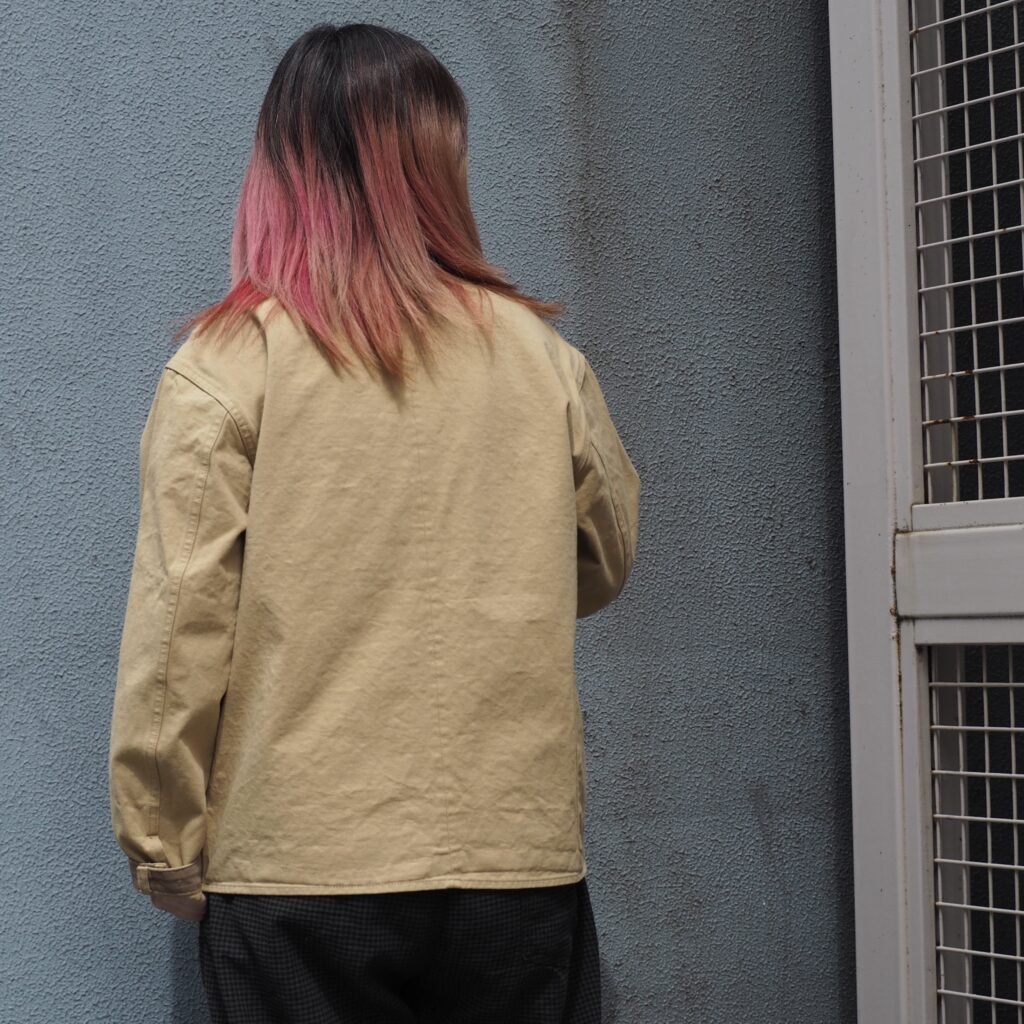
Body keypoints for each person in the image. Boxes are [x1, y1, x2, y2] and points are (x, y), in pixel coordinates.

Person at [107, 21, 640, 1024]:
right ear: (439, 167)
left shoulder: (228, 366)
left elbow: (179, 631)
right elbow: (603, 559)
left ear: (280, 170)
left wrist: (162, 840)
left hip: (301, 869)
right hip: (513, 864)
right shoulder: (542, 361)